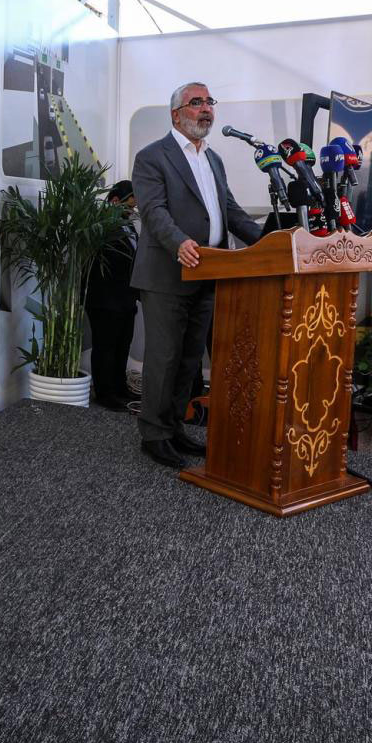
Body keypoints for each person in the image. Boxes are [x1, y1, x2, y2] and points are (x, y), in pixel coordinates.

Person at [129, 83, 262, 468]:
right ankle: (153, 435)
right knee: (164, 357)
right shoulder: (152, 157)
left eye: (209, 102)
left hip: (209, 272)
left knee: (189, 360)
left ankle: (173, 426)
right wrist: (179, 242)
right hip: (168, 273)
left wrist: (270, 240)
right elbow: (153, 211)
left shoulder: (213, 159)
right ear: (176, 114)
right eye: (196, 103)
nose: (206, 109)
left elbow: (230, 211)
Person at [85, 181, 138, 411]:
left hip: (126, 298)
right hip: (105, 300)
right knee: (105, 347)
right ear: (116, 200)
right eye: (131, 203)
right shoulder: (101, 224)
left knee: (123, 345)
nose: (134, 208)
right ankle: (105, 393)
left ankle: (119, 387)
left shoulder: (129, 225)